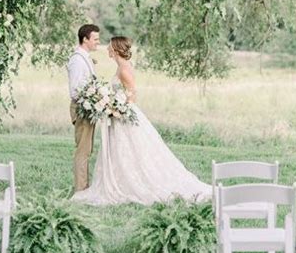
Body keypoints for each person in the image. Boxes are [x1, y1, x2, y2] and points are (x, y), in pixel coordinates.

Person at [72, 36, 212, 205]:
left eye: (109, 47)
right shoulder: (121, 66)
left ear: (116, 49)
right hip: (118, 115)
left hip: (124, 115)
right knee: (122, 154)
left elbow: (132, 95)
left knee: (134, 153)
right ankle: (121, 181)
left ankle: (131, 185)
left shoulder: (124, 69)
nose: (107, 49)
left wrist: (117, 108)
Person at [67, 24, 101, 192]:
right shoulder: (77, 60)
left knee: (87, 149)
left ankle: (84, 186)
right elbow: (75, 90)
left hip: (88, 108)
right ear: (85, 39)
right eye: (95, 39)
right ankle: (81, 189)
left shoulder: (85, 57)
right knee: (83, 150)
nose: (98, 42)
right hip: (82, 109)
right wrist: (91, 99)